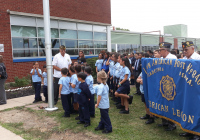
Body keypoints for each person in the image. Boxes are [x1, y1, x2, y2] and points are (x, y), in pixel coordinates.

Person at [179, 41, 200, 140]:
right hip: (186, 88)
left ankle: (197, 133)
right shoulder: (184, 59)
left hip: (196, 89)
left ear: (192, 49)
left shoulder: (198, 59)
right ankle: (188, 130)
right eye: (183, 50)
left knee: (196, 110)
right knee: (187, 109)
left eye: (186, 49)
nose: (184, 51)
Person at [158, 42, 177, 131]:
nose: (159, 52)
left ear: (165, 50)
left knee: (170, 104)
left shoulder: (173, 58)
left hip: (170, 83)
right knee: (163, 103)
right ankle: (164, 121)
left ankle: (172, 124)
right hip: (163, 82)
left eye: (160, 50)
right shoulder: (161, 58)